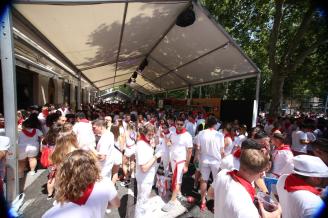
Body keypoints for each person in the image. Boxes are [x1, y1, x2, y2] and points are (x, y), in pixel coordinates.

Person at [42, 150, 120, 218]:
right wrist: (101, 204)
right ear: (93, 166)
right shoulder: (105, 183)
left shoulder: (50, 215)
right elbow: (116, 204)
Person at [210, 146, 281, 218]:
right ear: (261, 173)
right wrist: (278, 212)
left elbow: (211, 193)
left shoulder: (222, 174)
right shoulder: (247, 208)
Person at [162, 117, 193, 212]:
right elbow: (170, 143)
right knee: (175, 179)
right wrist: (167, 141)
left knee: (177, 181)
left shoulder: (187, 136)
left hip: (181, 161)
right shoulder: (173, 133)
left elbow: (189, 151)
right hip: (173, 160)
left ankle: (172, 201)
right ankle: (178, 193)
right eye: (177, 124)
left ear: (184, 125)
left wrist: (186, 165)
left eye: (181, 124)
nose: (179, 126)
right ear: (175, 123)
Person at [195, 116, 224, 211]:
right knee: (217, 182)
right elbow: (222, 151)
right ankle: (215, 204)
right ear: (215, 124)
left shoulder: (201, 133)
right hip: (216, 161)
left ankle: (203, 201)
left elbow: (198, 148)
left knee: (204, 180)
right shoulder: (220, 135)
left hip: (204, 159)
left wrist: (196, 157)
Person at [135, 123, 161, 218]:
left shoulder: (145, 142)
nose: (151, 136)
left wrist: (152, 147)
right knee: (142, 201)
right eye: (149, 134)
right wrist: (156, 156)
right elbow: (144, 168)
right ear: (144, 133)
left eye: (152, 134)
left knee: (143, 199)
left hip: (147, 177)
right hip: (144, 178)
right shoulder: (141, 145)